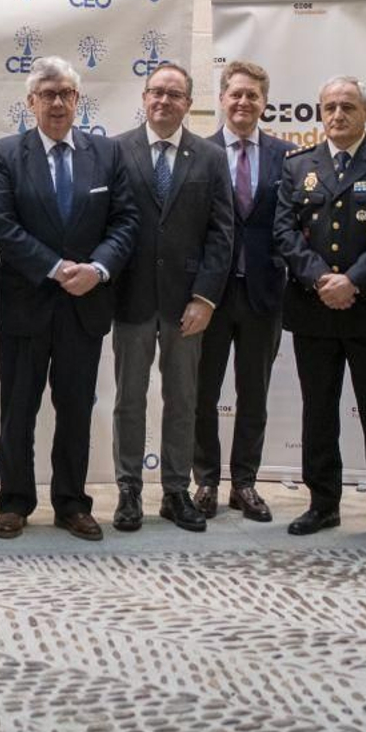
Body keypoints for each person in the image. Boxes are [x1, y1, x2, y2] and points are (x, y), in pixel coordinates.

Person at [0, 56, 138, 542]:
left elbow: (126, 221)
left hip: (85, 305)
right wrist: (53, 268)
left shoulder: (107, 154)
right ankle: (14, 502)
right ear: (30, 102)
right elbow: (0, 223)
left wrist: (96, 269)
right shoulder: (6, 153)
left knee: (75, 409)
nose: (57, 102)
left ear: (78, 101)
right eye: (47, 94)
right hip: (27, 303)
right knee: (18, 409)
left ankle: (72, 503)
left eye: (66, 94)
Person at [273, 75, 366, 547]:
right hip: (315, 310)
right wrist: (321, 280)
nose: (337, 115)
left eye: (347, 106)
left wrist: (352, 281)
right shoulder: (297, 166)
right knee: (319, 412)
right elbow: (285, 234)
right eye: (329, 106)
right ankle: (323, 503)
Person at [109, 62, 233, 533]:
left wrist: (205, 298)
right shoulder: (116, 151)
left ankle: (177, 491)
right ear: (144, 97)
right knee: (129, 399)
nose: (164, 101)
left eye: (175, 94)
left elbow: (222, 234)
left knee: (183, 398)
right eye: (156, 92)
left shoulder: (209, 157)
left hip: (187, 305)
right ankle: (129, 490)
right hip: (132, 300)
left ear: (188, 103)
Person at [194, 60, 294, 523]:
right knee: (203, 393)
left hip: (263, 295)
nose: (243, 102)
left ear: (264, 103)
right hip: (208, 298)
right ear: (221, 98)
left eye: (252, 95)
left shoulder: (286, 156)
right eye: (235, 93)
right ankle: (206, 481)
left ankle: (245, 483)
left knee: (254, 392)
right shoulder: (200, 152)